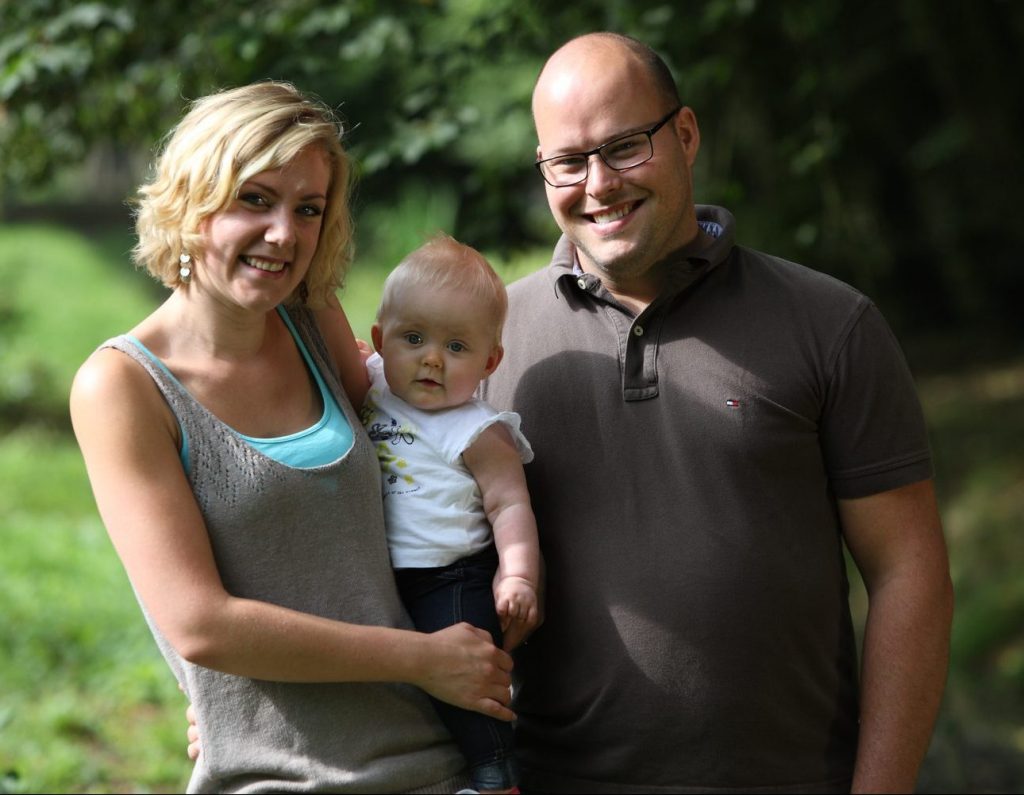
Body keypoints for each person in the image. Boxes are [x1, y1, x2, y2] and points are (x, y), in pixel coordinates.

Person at [475, 32, 955, 793]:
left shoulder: (829, 324)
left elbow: (909, 572)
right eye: (567, 161)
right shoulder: (486, 343)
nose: (597, 184)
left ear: (687, 134)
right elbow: (398, 545)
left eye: (626, 146)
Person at [69, 80, 516, 793]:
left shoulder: (310, 316)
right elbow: (201, 625)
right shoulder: (123, 386)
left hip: (440, 752)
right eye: (256, 198)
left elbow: (428, 437)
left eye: (308, 208)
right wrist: (418, 656)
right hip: (277, 773)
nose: (285, 233)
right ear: (192, 196)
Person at [361, 233, 542, 793]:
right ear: (378, 340)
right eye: (413, 338)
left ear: (491, 361)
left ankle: (495, 775)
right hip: (377, 574)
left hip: (451, 576)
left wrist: (518, 574)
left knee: (470, 685)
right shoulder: (368, 382)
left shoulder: (477, 429)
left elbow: (509, 502)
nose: (432, 358)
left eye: (457, 347)